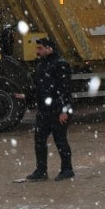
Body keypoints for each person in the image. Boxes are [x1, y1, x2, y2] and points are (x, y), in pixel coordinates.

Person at [26, 37, 75, 181]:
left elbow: (65, 89)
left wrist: (64, 110)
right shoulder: (42, 64)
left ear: (49, 49)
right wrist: (27, 97)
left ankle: (67, 169)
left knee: (60, 140)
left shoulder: (61, 64)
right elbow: (39, 87)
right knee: (39, 140)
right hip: (44, 110)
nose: (37, 51)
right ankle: (41, 171)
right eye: (38, 48)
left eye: (40, 48)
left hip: (57, 110)